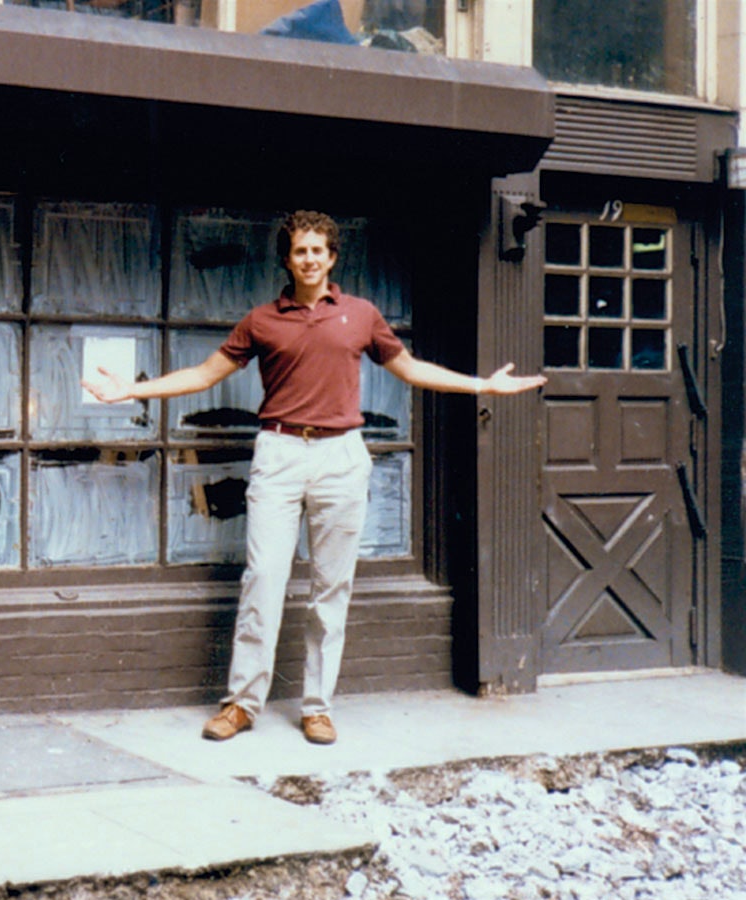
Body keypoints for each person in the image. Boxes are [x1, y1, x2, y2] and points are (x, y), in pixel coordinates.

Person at [83, 210, 546, 745]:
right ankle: (241, 702)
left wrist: (483, 386)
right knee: (264, 578)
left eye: (318, 251)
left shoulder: (361, 315)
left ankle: (318, 706)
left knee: (332, 588)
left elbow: (411, 369)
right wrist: (131, 392)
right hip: (278, 454)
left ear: (331, 258)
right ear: (287, 259)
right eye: (299, 251)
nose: (309, 259)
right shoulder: (261, 320)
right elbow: (203, 374)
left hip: (341, 457)